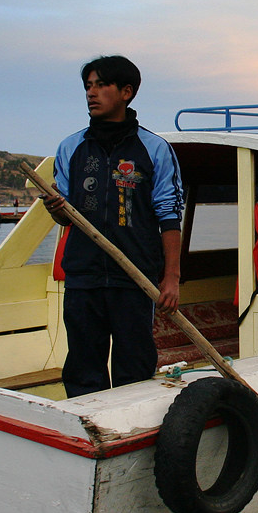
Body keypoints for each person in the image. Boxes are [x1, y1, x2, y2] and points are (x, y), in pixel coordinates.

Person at [41, 55, 184, 397]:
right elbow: (67, 217)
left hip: (133, 278)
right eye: (88, 86)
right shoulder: (70, 147)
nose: (92, 93)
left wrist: (171, 277)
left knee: (133, 370)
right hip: (83, 277)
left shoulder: (154, 150)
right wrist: (56, 210)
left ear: (126, 92)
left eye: (102, 85)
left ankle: (131, 437)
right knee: (83, 367)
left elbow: (169, 214)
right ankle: (90, 436)